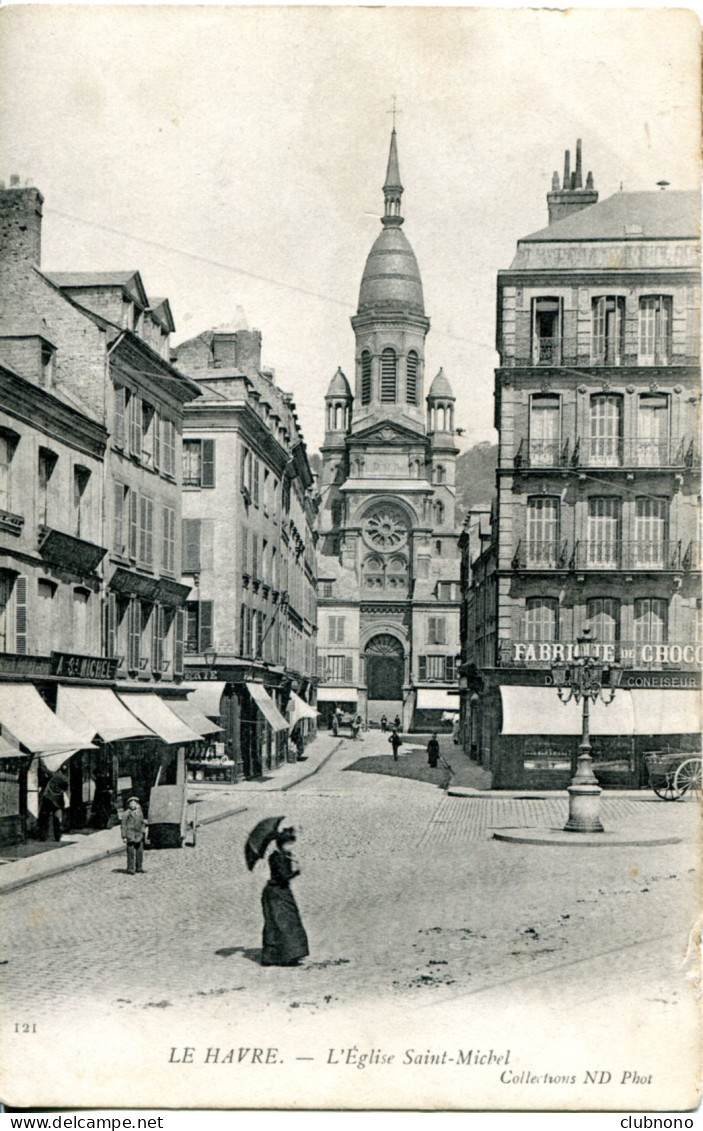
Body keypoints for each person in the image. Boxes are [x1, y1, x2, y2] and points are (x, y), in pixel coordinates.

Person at [261, 826, 309, 967]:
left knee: (281, 922)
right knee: (284, 923)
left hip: (279, 892)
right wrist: (296, 871)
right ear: (284, 844)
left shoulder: (281, 856)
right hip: (277, 892)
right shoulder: (278, 858)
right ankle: (286, 956)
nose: (292, 847)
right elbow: (283, 876)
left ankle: (283, 955)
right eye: (290, 844)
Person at [38, 768, 68, 841]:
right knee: (56, 819)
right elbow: (65, 788)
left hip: (48, 799)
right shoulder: (65, 778)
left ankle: (43, 837)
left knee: (44, 818)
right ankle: (57, 837)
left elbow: (46, 770)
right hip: (58, 801)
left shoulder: (54, 775)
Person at [121, 796, 148, 875]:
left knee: (139, 853)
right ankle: (130, 868)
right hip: (130, 835)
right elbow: (123, 825)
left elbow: (142, 823)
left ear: (137, 804)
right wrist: (124, 836)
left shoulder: (140, 812)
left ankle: (139, 867)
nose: (132, 805)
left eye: (134, 803)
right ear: (129, 805)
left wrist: (143, 831)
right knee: (131, 853)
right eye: (131, 804)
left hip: (139, 835)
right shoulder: (126, 813)